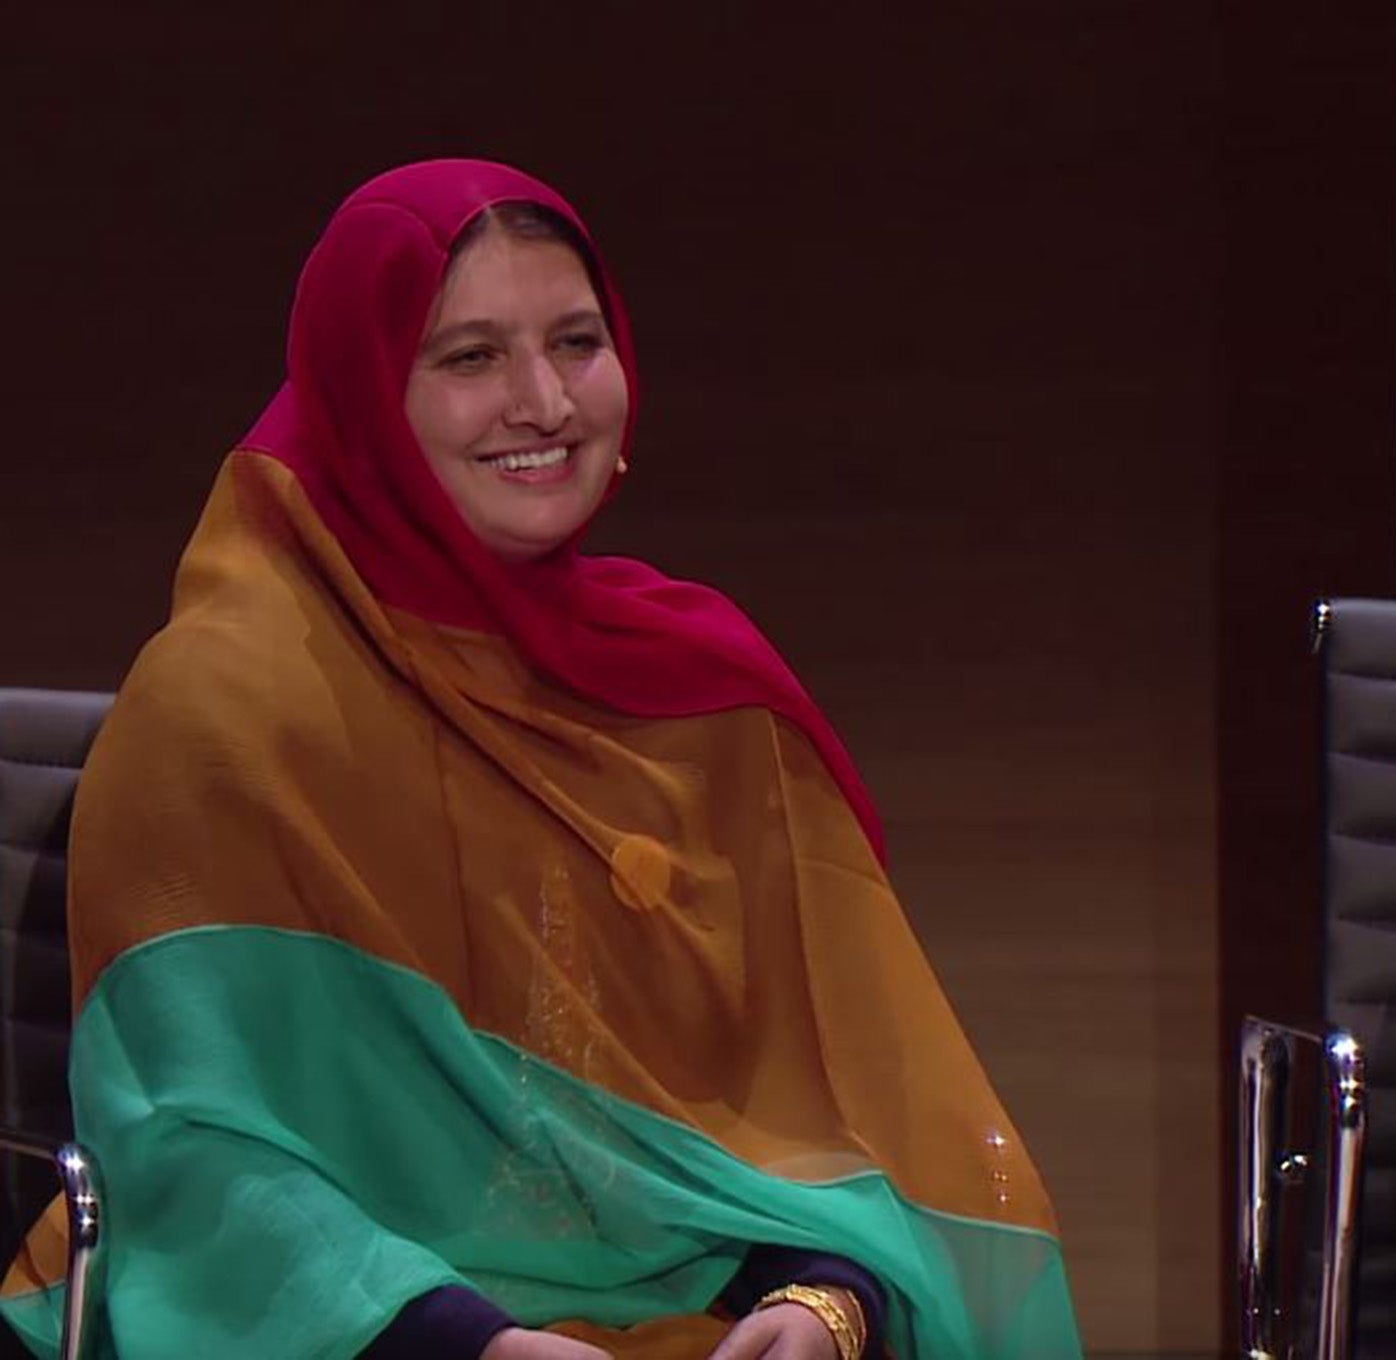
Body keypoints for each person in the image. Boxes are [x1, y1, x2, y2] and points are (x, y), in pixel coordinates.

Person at [0, 159, 1083, 1360]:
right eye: (468, 357)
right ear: (363, 396)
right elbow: (185, 1151)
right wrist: (463, 1343)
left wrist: (826, 1296)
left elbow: (830, 1110)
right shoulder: (224, 707)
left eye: (576, 342)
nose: (543, 402)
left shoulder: (702, 693)